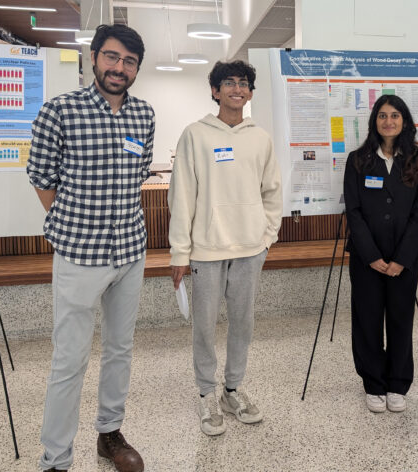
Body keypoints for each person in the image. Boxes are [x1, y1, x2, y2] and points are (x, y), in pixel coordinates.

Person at [27, 24, 154, 472]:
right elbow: (41, 177)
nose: (120, 68)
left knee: (120, 349)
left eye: (130, 61)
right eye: (113, 57)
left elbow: (137, 175)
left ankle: (109, 433)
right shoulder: (60, 110)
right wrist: (75, 222)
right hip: (80, 255)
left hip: (130, 252)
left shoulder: (144, 115)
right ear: (95, 58)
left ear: (137, 68)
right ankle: (56, 458)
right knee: (69, 360)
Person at [168, 60, 282, 436]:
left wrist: (267, 237)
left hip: (250, 248)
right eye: (229, 83)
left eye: (244, 83)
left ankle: (232, 390)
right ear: (215, 90)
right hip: (205, 251)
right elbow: (181, 197)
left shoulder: (259, 137)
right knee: (204, 325)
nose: (237, 89)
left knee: (243, 322)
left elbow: (272, 193)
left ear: (250, 92)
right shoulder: (195, 135)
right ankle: (206, 394)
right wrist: (179, 253)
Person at [343, 94, 418, 413]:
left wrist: (401, 259)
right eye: (382, 115)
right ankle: (373, 383)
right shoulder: (358, 160)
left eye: (395, 115)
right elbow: (353, 211)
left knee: (400, 319)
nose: (388, 121)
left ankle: (397, 383)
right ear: (374, 121)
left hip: (403, 260)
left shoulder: (416, 160)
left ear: (404, 121)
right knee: (367, 320)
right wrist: (371, 256)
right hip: (367, 259)